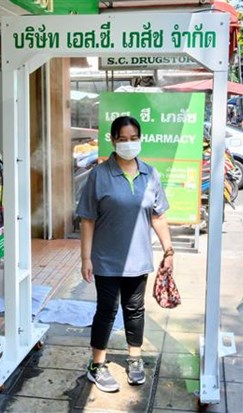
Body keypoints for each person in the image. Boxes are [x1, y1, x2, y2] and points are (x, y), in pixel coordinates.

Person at [76, 116, 174, 393]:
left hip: (138, 259)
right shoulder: (99, 174)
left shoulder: (150, 174)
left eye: (133, 138)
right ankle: (96, 365)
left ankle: (135, 359)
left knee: (135, 310)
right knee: (106, 311)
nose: (129, 144)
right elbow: (87, 219)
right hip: (106, 259)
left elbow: (158, 216)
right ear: (113, 140)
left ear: (140, 139)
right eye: (123, 139)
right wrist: (86, 258)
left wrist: (169, 249)